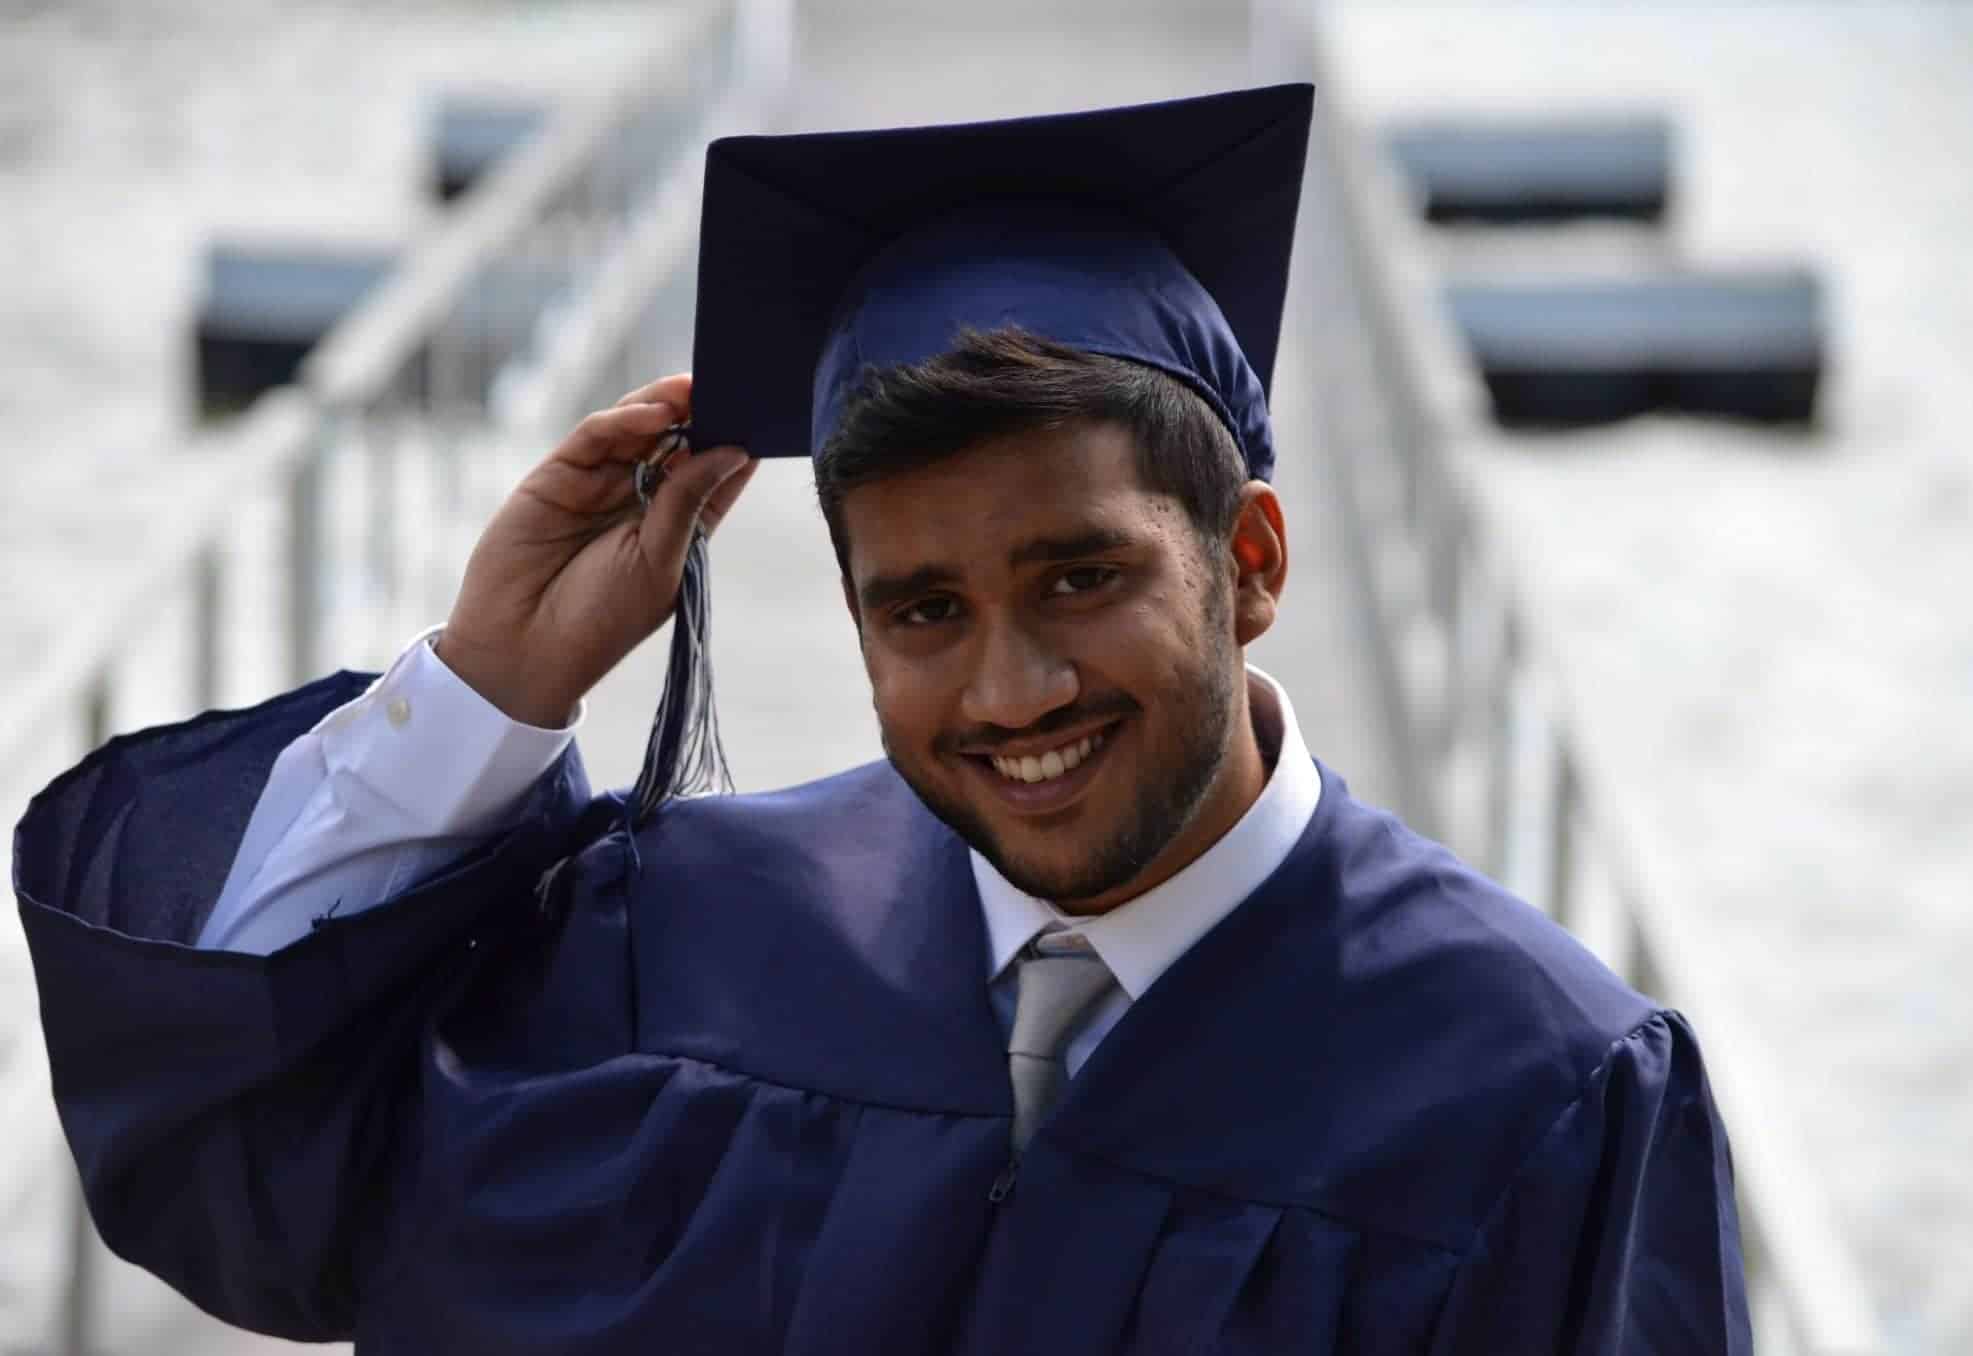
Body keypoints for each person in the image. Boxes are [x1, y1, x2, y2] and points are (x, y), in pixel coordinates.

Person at [15, 86, 1750, 1353]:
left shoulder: (1543, 1090)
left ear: (1256, 557)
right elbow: (249, 1167)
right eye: (922, 611)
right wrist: (489, 687)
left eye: (1080, 577)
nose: (1009, 690)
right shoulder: (675, 938)